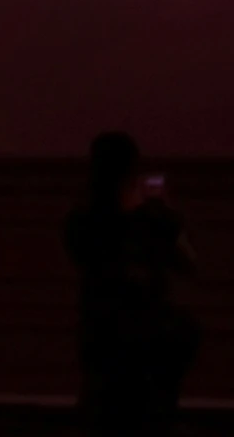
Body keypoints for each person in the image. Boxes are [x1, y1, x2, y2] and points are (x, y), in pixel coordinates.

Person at [64, 133, 199, 434]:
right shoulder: (156, 219)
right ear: (133, 173)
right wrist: (163, 212)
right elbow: (189, 263)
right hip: (150, 339)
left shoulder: (79, 221)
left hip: (98, 334)